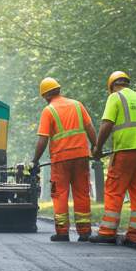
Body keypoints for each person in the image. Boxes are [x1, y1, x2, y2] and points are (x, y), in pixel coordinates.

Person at [90, 71, 136, 248]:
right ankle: (134, 236)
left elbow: (107, 124)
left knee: (114, 189)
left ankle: (107, 232)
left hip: (125, 151)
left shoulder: (115, 97)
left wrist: (97, 148)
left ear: (112, 85)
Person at [31, 77, 97, 242]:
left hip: (61, 159)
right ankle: (84, 232)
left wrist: (35, 160)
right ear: (59, 90)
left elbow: (43, 139)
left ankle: (62, 232)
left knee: (59, 194)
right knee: (82, 192)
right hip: (81, 155)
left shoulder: (49, 111)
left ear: (46, 96)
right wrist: (96, 147)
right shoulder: (77, 104)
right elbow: (90, 127)